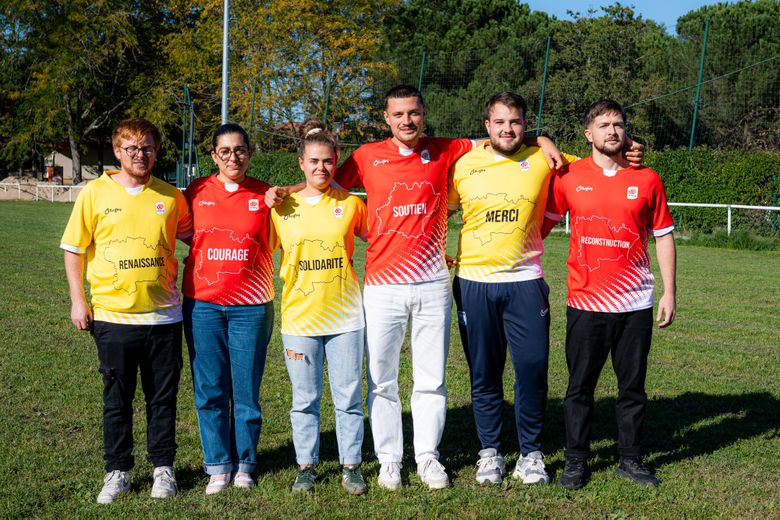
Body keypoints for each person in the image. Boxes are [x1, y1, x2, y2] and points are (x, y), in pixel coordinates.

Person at [269, 85, 563, 490]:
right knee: (381, 380)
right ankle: (389, 460)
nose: (407, 121)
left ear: (423, 114)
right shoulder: (365, 156)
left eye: (413, 113)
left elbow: (500, 136)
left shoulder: (446, 149)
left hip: (432, 283)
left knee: (431, 378)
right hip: (382, 285)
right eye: (398, 114)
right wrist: (285, 191)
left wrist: (541, 138)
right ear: (386, 119)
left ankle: (428, 457)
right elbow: (320, 179)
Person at [543, 99, 676, 490]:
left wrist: (669, 291)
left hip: (636, 302)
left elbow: (663, 236)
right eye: (603, 125)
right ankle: (576, 461)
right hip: (586, 301)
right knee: (579, 387)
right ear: (589, 134)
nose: (612, 131)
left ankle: (630, 460)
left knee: (632, 388)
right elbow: (540, 227)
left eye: (618, 124)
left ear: (626, 132)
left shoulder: (647, 178)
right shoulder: (568, 176)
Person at [448, 92, 580, 485]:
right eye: (500, 122)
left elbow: (596, 166)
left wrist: (629, 152)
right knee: (484, 372)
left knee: (533, 368)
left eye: (516, 122)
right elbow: (439, 210)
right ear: (487, 126)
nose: (508, 129)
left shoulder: (542, 158)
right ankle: (489, 452)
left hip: (525, 282)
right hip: (474, 282)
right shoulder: (464, 165)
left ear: (526, 125)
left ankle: (531, 454)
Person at [61, 118, 193, 504]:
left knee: (162, 399)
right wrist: (78, 300)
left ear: (156, 150)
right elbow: (74, 250)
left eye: (147, 147)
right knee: (117, 399)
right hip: (113, 317)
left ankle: (163, 469)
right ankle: (117, 470)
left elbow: (196, 238)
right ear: (118, 151)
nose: (140, 154)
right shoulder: (94, 193)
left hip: (164, 318)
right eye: (132, 148)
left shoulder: (171, 196)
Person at [270, 120, 369, 495]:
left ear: (336, 160)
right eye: (313, 161)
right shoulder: (281, 208)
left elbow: (380, 239)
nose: (321, 167)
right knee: (305, 399)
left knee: (348, 397)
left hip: (346, 317)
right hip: (299, 319)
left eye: (327, 161)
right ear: (301, 163)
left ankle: (351, 466)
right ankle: (306, 467)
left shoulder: (351, 204)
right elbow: (258, 248)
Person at [181, 123, 275, 494]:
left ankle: (245, 464)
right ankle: (218, 465)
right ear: (214, 155)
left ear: (249, 153)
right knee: (210, 389)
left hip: (251, 306)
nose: (233, 157)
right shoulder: (196, 191)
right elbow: (178, 230)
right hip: (203, 305)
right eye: (225, 151)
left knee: (246, 390)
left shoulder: (266, 194)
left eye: (240, 150)